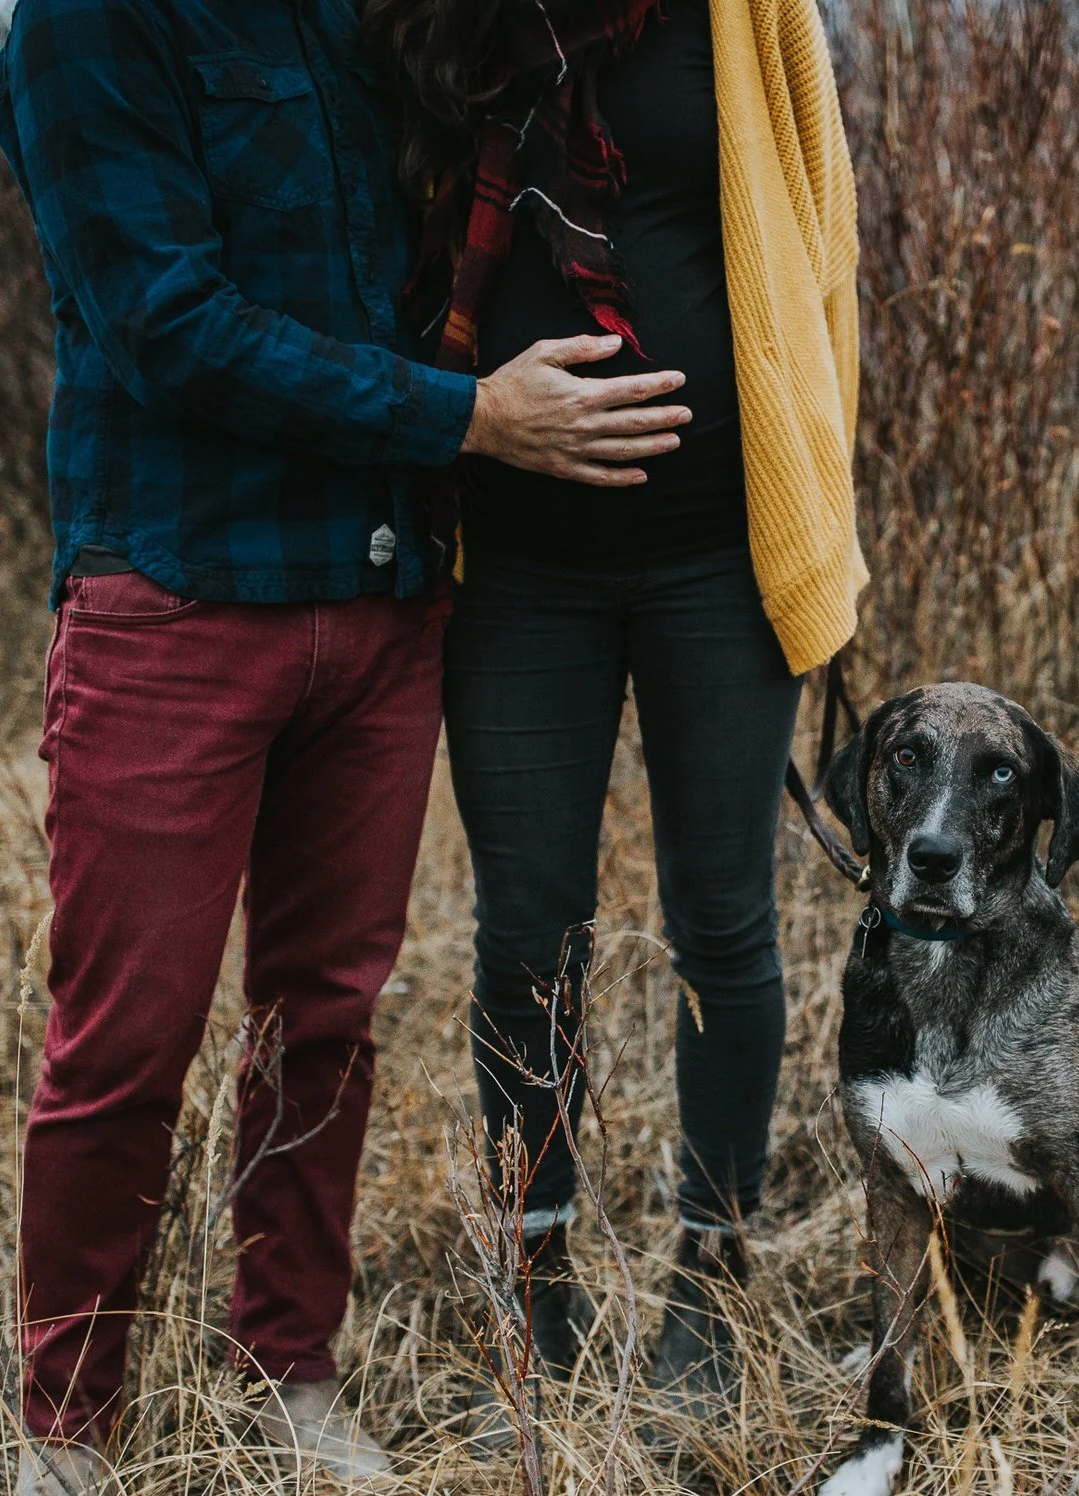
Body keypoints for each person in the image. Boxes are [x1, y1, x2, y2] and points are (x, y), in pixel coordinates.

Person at [0, 0, 704, 1496]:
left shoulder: (351, 12)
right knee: (129, 1038)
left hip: (380, 601)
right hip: (174, 596)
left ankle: (288, 1368)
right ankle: (67, 1425)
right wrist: (466, 417)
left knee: (323, 1022)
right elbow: (161, 320)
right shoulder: (85, 25)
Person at [368, 0, 861, 1411]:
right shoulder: (435, 18)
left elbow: (820, 254)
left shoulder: (752, 14)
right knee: (528, 929)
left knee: (725, 919)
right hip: (519, 566)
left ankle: (710, 1276)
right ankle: (540, 1278)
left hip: (722, 550)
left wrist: (823, 520)